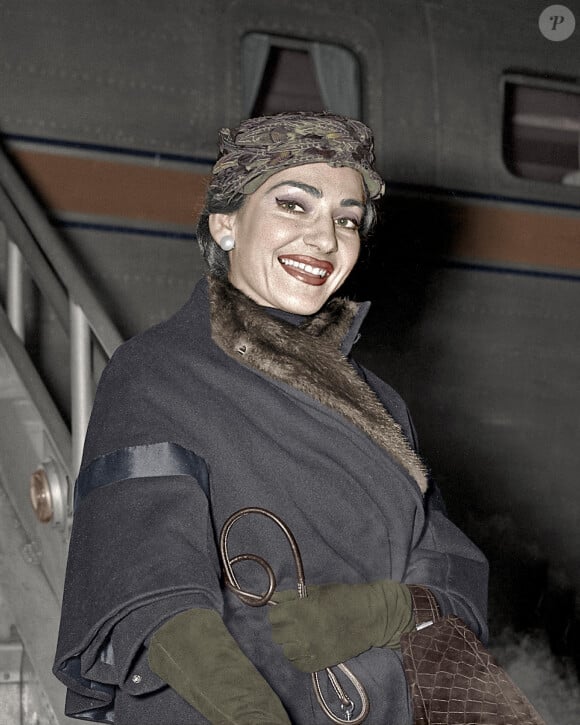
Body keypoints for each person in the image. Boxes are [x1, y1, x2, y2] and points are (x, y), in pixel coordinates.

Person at [53, 112, 489, 725]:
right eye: (293, 205)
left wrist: (387, 611)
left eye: (346, 220)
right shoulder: (156, 373)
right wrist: (250, 712)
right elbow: (147, 584)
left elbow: (452, 571)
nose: (324, 240)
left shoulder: (384, 405)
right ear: (225, 224)